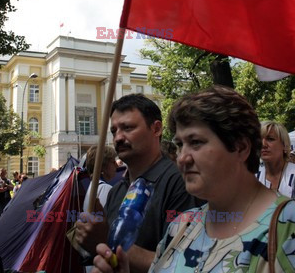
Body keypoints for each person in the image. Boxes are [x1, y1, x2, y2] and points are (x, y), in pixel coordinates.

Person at [93, 86, 295, 273]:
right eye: (180, 144)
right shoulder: (182, 226)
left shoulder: (287, 227)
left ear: (241, 147)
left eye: (196, 142)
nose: (182, 158)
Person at [76, 93, 199, 273]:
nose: (118, 138)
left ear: (156, 129)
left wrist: (107, 240)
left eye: (128, 127)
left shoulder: (181, 183)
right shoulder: (116, 191)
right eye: (114, 131)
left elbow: (183, 263)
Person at [257, 120, 295, 198]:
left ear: (284, 145)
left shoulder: (293, 174)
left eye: (270, 139)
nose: (263, 144)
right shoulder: (252, 175)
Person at [83, 145, 117, 212]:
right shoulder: (106, 189)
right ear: (103, 166)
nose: (117, 165)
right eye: (113, 162)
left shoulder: (94, 185)